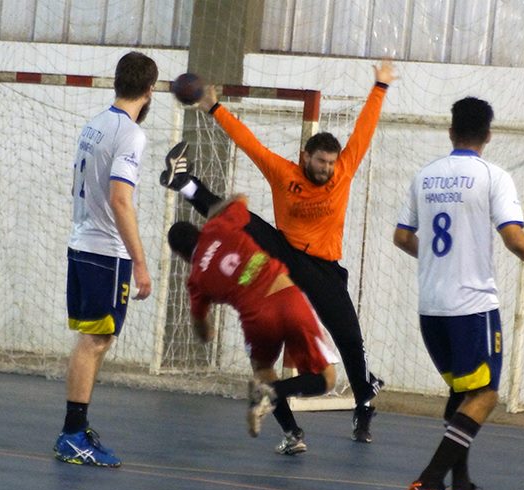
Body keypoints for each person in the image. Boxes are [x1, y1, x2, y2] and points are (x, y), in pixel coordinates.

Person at [164, 60, 396, 442]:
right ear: (305, 157)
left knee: (351, 341)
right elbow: (248, 141)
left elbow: (365, 129)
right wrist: (212, 107)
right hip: (286, 252)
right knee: (241, 219)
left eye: (331, 163)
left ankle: (362, 407)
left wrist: (380, 86)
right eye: (320, 162)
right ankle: (186, 184)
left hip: (323, 270)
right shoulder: (283, 172)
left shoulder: (343, 171)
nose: (327, 169)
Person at [393, 96, 524, 490]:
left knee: (463, 393)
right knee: (485, 395)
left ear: (450, 132)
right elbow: (514, 239)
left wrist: (438, 262)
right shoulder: (491, 176)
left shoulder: (423, 177)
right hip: (472, 306)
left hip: (431, 307)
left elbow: (403, 238)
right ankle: (429, 482)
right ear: (488, 135)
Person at [167, 194, 340, 455]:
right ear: (199, 229)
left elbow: (203, 331)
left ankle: (292, 434)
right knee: (326, 380)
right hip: (285, 297)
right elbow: (241, 201)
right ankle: (272, 392)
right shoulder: (217, 227)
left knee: (262, 369)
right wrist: (215, 209)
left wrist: (208, 330)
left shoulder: (195, 280)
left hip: (256, 319)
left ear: (180, 255)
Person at [54, 51, 158, 467]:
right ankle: (72, 434)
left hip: (83, 244)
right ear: (150, 91)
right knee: (95, 340)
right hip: (104, 251)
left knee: (96, 339)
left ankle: (77, 426)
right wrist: (141, 262)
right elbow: (120, 198)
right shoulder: (130, 134)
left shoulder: (95, 124)